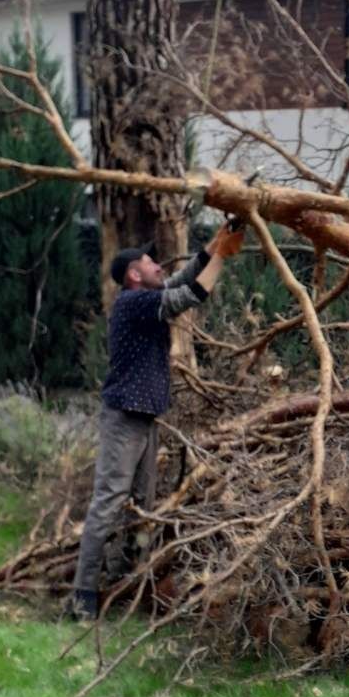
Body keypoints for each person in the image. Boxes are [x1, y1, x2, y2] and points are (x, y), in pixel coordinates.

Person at [70, 222, 245, 619]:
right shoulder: (134, 303)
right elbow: (192, 293)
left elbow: (181, 277)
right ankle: (83, 596)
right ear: (134, 275)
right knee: (109, 502)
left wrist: (214, 243)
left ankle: (123, 580)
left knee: (140, 505)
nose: (158, 265)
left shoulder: (147, 299)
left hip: (144, 418)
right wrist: (221, 257)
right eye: (150, 262)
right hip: (123, 418)